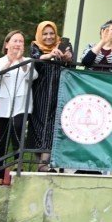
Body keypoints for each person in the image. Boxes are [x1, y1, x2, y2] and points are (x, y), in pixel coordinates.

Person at [0, 31, 37, 183]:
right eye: (15, 41)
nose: (18, 44)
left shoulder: (27, 61)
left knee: (17, 129)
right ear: (7, 44)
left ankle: (17, 166)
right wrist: (9, 62)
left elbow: (33, 76)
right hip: (0, 106)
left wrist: (20, 60)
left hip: (21, 105)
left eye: (21, 41)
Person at [28, 21, 73, 170]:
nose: (49, 37)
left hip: (60, 89)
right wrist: (50, 54)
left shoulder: (64, 45)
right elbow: (35, 59)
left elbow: (71, 65)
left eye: (51, 33)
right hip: (41, 89)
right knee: (39, 122)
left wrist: (68, 58)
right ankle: (40, 161)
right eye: (45, 34)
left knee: (53, 123)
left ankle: (44, 162)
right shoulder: (35, 46)